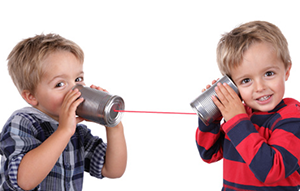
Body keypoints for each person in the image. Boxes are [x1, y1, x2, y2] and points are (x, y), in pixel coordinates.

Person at [0, 34, 127, 191]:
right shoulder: (23, 122)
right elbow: (24, 181)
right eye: (60, 84)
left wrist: (113, 125)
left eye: (78, 79)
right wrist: (64, 131)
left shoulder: (77, 132)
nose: (75, 90)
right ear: (31, 97)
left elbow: (113, 170)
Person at [196, 21, 300, 190]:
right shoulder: (240, 116)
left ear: (286, 70)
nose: (259, 88)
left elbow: (271, 170)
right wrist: (212, 116)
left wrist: (237, 119)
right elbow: (209, 154)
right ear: (233, 85)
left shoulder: (292, 118)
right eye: (246, 80)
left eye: (269, 73)